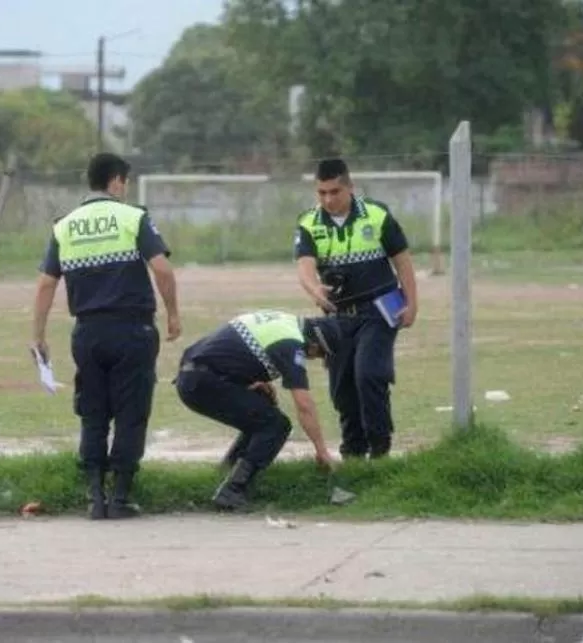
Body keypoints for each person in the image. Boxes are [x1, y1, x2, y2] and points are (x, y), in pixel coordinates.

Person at [31, 152, 181, 521]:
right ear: (116, 181)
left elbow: (46, 284)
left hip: (88, 334)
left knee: (93, 413)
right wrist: (173, 312)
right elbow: (162, 268)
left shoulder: (65, 226)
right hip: (132, 330)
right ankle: (121, 498)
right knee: (131, 413)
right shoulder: (133, 217)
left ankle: (95, 498)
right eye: (124, 183)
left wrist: (39, 336)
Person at [293, 158, 419, 460]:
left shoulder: (377, 214)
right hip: (337, 318)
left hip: (380, 309)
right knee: (342, 389)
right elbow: (304, 268)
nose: (327, 199)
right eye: (321, 192)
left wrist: (412, 303)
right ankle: (353, 452)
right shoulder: (309, 222)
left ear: (350, 187)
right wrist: (314, 289)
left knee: (369, 375)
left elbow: (402, 260)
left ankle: (379, 448)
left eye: (334, 191)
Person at [173, 309, 342, 511]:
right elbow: (304, 405)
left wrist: (248, 380)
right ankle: (233, 490)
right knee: (276, 425)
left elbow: (231, 349)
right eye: (320, 354)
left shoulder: (283, 321)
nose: (314, 358)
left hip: (194, 375)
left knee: (262, 410)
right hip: (203, 382)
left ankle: (226, 472)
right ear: (315, 343)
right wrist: (321, 450)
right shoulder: (290, 343)